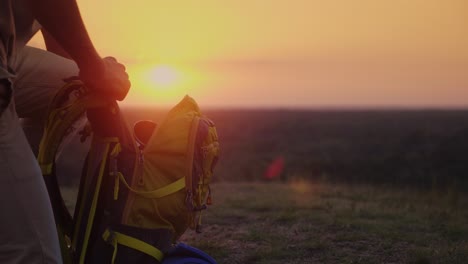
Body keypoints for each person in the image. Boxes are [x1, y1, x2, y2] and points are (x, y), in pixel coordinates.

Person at [0, 0, 131, 263]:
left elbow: (57, 33)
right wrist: (97, 69)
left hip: (9, 57)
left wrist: (93, 79)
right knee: (36, 253)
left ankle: (16, 193)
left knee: (77, 93)